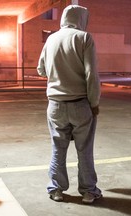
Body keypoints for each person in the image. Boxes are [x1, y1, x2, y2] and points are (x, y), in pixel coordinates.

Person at [37, 5, 101, 204]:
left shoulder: (51, 38)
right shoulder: (84, 38)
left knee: (58, 148)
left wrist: (59, 72)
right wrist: (94, 102)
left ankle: (56, 189)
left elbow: (41, 70)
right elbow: (91, 74)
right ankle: (88, 191)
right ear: (82, 18)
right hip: (80, 103)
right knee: (84, 150)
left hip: (55, 104)